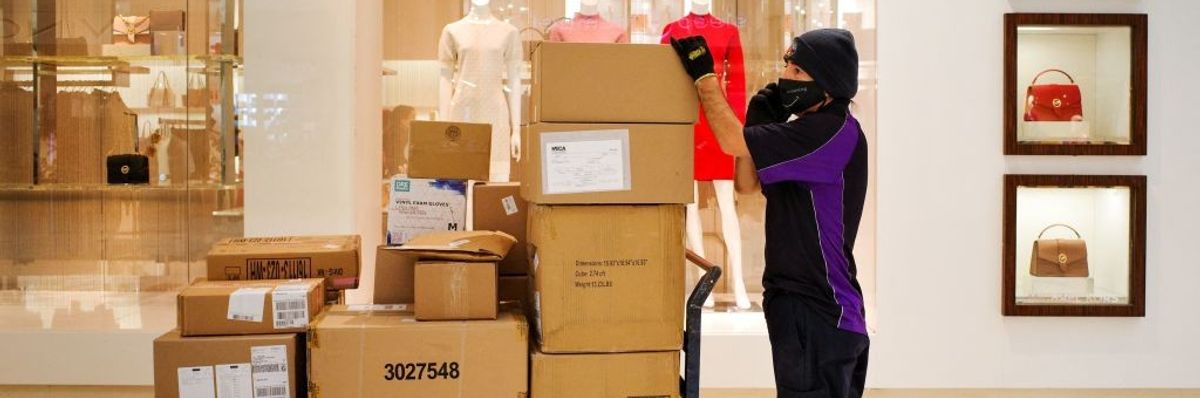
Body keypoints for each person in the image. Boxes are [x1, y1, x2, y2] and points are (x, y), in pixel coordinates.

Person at [671, 29, 869, 398]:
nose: (785, 78)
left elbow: (730, 142)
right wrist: (758, 127)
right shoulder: (806, 132)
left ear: (826, 83)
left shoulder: (829, 132)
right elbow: (747, 185)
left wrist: (704, 78)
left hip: (822, 311)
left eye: (797, 71)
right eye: (787, 66)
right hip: (799, 308)